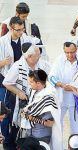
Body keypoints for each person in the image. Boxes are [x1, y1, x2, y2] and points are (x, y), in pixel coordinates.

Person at [0, 16, 40, 149]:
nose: (21, 32)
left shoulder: (25, 38)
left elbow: (36, 46)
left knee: (21, 114)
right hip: (7, 80)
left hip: (23, 81)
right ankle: (6, 141)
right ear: (11, 28)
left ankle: (19, 143)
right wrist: (3, 63)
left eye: (23, 29)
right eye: (18, 30)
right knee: (7, 113)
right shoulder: (2, 42)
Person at [3, 42, 50, 149]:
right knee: (18, 129)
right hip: (21, 103)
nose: (39, 57)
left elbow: (50, 77)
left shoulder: (42, 64)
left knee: (33, 128)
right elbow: (7, 83)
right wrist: (19, 92)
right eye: (37, 55)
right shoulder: (17, 66)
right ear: (29, 56)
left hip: (37, 102)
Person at [20, 70, 62, 149]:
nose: (29, 84)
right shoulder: (35, 91)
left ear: (38, 83)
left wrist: (30, 117)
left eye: (31, 82)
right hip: (31, 133)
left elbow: (49, 123)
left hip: (41, 136)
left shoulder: (48, 98)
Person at [49, 42, 78, 137]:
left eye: (72, 52)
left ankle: (75, 146)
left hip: (75, 98)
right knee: (57, 125)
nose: (69, 55)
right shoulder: (59, 60)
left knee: (76, 127)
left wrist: (75, 88)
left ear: (76, 50)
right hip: (61, 98)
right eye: (67, 52)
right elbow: (51, 77)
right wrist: (62, 85)